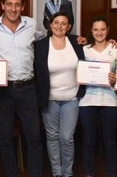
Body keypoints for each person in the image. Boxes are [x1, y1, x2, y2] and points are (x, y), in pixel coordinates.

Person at [0, 0, 43, 177]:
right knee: (5, 138)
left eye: (17, 4)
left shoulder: (31, 25)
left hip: (27, 88)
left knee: (34, 136)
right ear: (2, 5)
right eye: (9, 4)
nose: (13, 8)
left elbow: (51, 38)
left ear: (22, 7)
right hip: (4, 90)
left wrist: (79, 41)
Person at [34, 11, 85, 177]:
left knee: (66, 137)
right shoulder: (41, 45)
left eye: (64, 23)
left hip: (72, 98)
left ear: (69, 26)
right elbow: (36, 72)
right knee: (52, 137)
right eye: (56, 22)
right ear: (50, 25)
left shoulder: (77, 42)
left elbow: (95, 45)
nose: (59, 26)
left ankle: (67, 172)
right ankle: (57, 172)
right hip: (50, 100)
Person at [78, 16, 117, 177]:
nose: (99, 33)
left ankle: (111, 173)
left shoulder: (116, 49)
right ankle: (89, 173)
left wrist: (116, 78)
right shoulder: (84, 49)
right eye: (96, 29)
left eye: (102, 29)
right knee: (88, 141)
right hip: (87, 101)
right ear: (91, 31)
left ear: (108, 30)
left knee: (109, 141)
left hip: (110, 101)